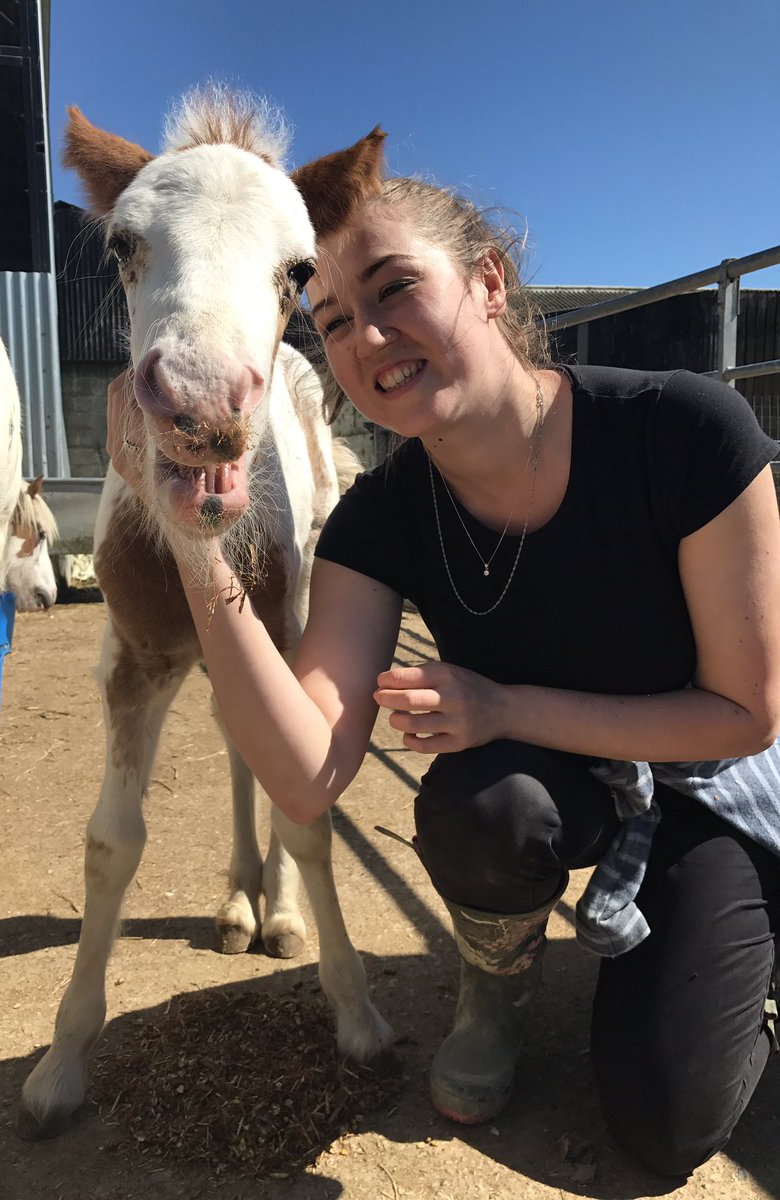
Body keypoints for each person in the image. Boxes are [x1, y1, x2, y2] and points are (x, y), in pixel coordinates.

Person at [106, 128, 780, 1178]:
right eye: (334, 320)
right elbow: (307, 772)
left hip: (704, 782)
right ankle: (497, 987)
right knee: (478, 805)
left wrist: (502, 707)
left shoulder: (684, 429)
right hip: (554, 785)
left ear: (488, 281)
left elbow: (745, 713)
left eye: (395, 290)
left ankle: (733, 931)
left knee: (666, 1123)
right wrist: (192, 530)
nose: (369, 337)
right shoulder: (380, 520)